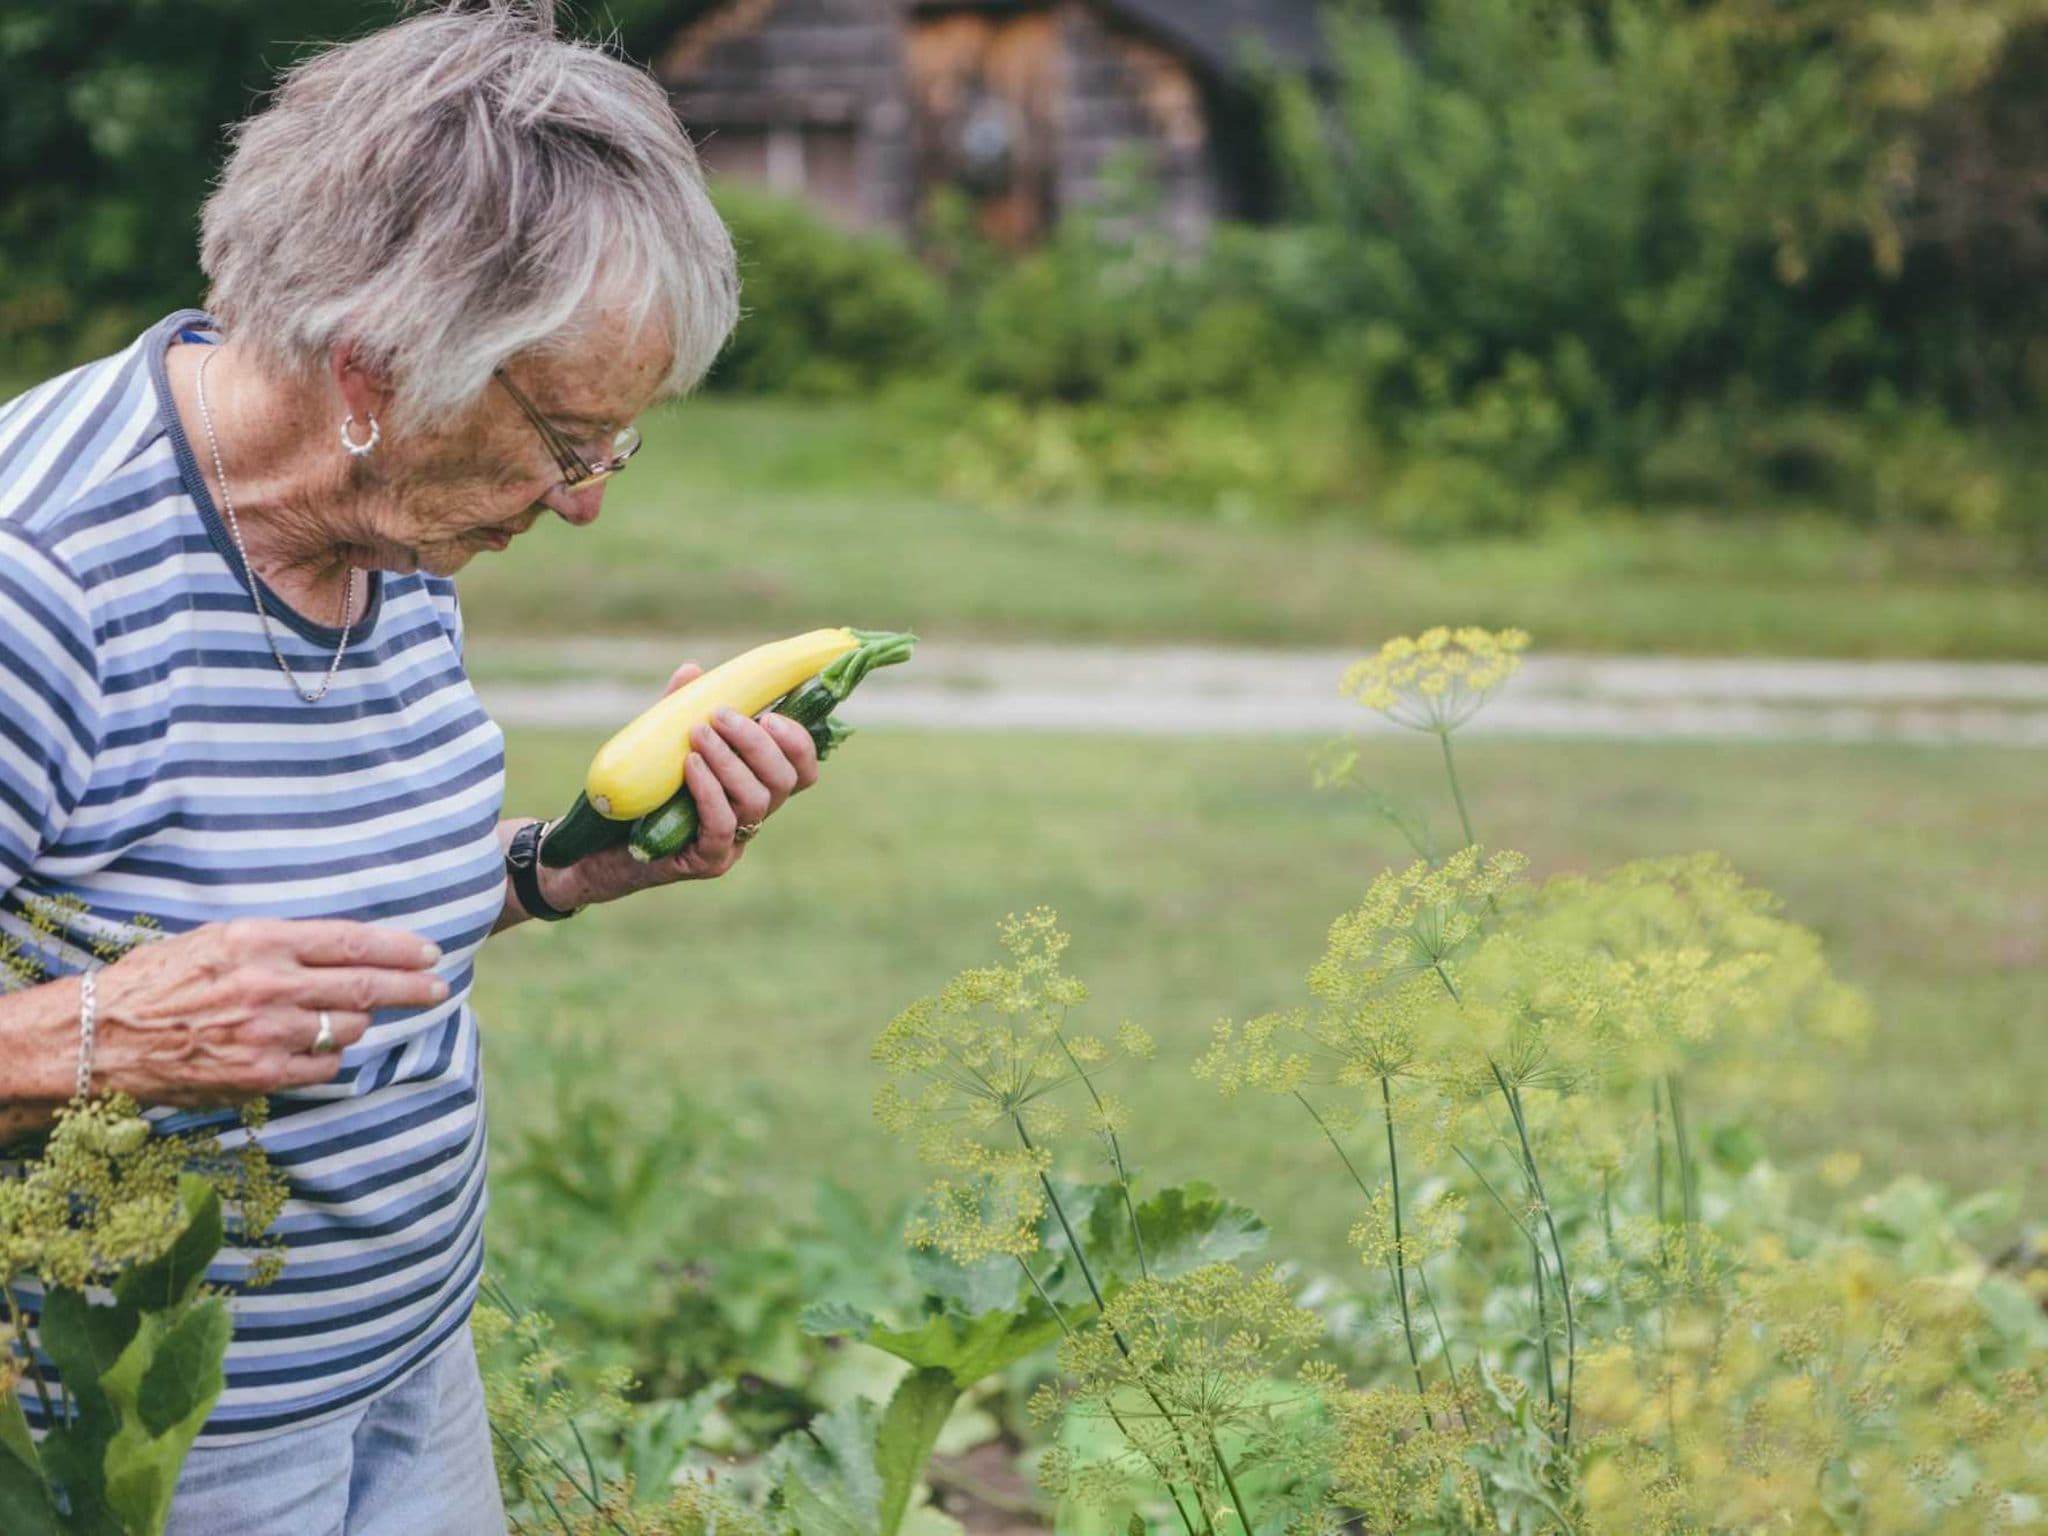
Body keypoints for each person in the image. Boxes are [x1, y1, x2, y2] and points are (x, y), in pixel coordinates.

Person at [0, 3, 808, 1528]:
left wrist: (554, 868)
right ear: (371, 366)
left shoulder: (388, 530)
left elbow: (318, 903)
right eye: (569, 441)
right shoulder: (41, 588)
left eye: (613, 450)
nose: (583, 503)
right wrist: (99, 1034)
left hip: (409, 1375)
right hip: (141, 1441)